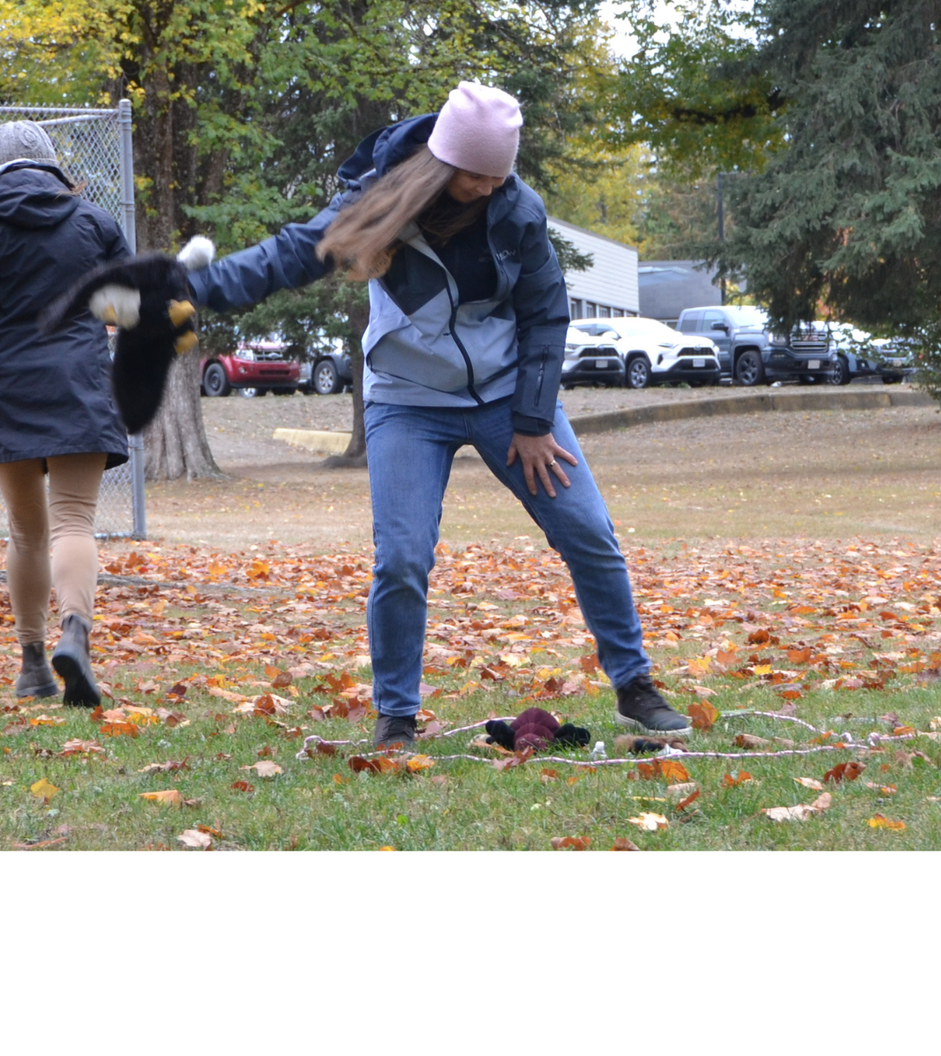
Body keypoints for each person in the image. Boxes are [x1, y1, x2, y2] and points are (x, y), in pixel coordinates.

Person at [184, 81, 691, 750]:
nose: (487, 188)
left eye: (498, 176)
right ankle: (396, 716)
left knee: (589, 530)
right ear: (443, 162)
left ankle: (635, 686)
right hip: (407, 403)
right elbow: (288, 256)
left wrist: (533, 422)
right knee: (400, 559)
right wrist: (194, 287)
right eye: (474, 175)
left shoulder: (518, 212)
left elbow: (546, 314)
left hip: (508, 402)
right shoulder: (377, 198)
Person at [0, 120, 131, 706]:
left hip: (6, 380)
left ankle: (32, 664)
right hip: (78, 380)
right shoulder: (91, 219)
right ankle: (76, 633)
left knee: (26, 527)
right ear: (50, 164)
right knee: (73, 520)